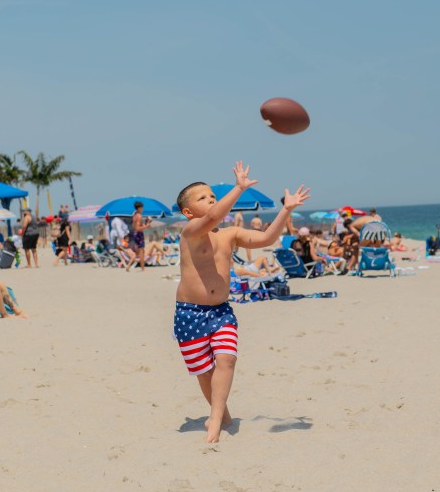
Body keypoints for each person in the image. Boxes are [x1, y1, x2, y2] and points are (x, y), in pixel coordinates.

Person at [174, 161, 309, 443]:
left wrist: (286, 209)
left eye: (212, 195)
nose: (211, 200)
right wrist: (238, 188)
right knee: (204, 372)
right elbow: (212, 217)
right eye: (203, 198)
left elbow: (267, 238)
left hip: (221, 312)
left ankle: (214, 419)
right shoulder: (190, 233)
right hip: (189, 313)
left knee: (227, 360)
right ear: (188, 212)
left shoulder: (230, 235)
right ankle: (221, 414)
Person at [130, 202, 152, 272]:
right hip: (138, 234)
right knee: (141, 252)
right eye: (142, 208)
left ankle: (132, 266)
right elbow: (137, 228)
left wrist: (145, 224)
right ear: (139, 208)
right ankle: (142, 268)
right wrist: (146, 226)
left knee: (139, 252)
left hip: (135, 234)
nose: (143, 209)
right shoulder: (139, 216)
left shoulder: (134, 215)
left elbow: (134, 227)